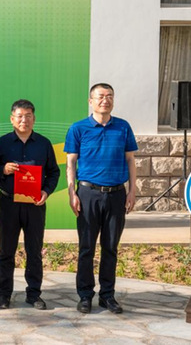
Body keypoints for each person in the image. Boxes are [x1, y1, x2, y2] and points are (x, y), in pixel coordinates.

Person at [65, 83, 137, 314]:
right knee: (86, 247)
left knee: (111, 247)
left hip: (116, 194)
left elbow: (130, 160)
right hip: (88, 194)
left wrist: (132, 190)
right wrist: (72, 192)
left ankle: (107, 295)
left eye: (109, 96)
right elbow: (71, 162)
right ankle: (85, 295)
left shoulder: (123, 127)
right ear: (91, 101)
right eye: (100, 96)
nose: (105, 100)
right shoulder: (78, 128)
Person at [0, 99, 60, 310]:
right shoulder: (2, 143)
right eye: (20, 116)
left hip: (34, 204)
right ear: (12, 119)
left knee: (34, 250)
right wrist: (3, 169)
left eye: (28, 116)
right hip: (8, 203)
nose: (24, 120)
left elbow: (54, 172)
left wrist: (46, 191)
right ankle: (4, 294)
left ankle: (33, 294)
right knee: (6, 251)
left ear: (34, 119)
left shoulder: (43, 143)